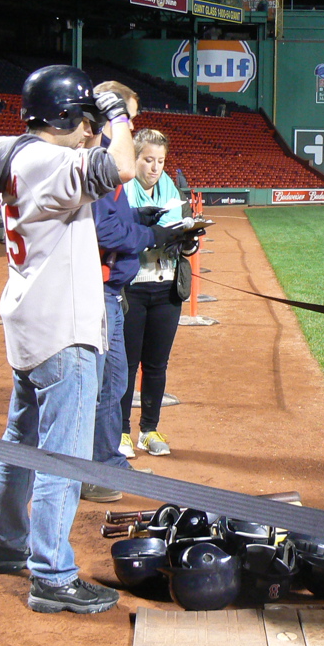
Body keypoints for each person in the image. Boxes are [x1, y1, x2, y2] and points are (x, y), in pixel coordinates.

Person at [0, 64, 135, 613]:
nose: (90, 129)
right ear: (65, 116)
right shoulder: (47, 160)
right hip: (62, 332)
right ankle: (52, 574)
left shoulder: (18, 154)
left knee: (19, 444)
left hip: (30, 322)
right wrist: (114, 113)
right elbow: (122, 165)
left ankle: (8, 544)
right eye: (83, 119)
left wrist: (97, 120)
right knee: (62, 458)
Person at [80, 82, 195, 503]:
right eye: (123, 121)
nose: (127, 131)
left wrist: (177, 237)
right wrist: (149, 232)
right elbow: (106, 227)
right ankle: (103, 461)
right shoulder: (102, 169)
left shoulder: (96, 168)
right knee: (111, 380)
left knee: (125, 374)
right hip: (111, 290)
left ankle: (112, 454)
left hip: (139, 287)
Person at [120, 128, 200, 457]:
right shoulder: (120, 193)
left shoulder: (173, 193)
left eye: (161, 161)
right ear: (135, 159)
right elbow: (116, 238)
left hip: (167, 289)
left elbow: (185, 244)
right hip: (132, 289)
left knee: (156, 365)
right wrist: (149, 232)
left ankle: (149, 430)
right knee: (125, 364)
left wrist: (189, 239)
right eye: (148, 160)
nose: (155, 167)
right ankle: (121, 432)